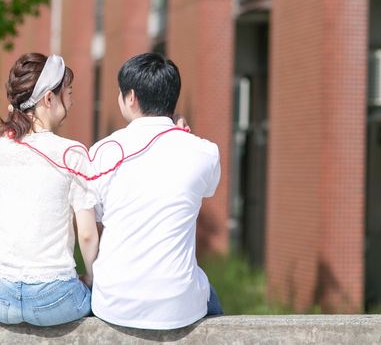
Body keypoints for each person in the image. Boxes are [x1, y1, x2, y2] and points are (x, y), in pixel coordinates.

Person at [89, 53, 222, 330]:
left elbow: (97, 219)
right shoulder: (204, 152)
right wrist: (183, 136)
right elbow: (207, 189)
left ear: (131, 97)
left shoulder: (102, 152)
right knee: (210, 294)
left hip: (114, 301)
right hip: (178, 304)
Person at [0, 53, 99, 326]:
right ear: (48, 98)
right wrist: (91, 278)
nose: (72, 101)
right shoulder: (71, 153)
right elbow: (87, 235)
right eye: (68, 93)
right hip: (54, 299)